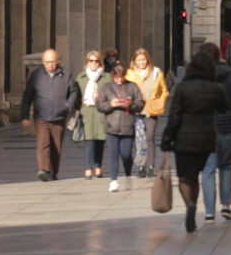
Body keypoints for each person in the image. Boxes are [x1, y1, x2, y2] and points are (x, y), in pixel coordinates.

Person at [161, 52, 229, 233]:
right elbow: (224, 107)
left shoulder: (183, 88)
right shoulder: (216, 88)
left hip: (183, 138)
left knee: (184, 177)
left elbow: (174, 116)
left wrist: (167, 139)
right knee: (196, 176)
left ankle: (189, 204)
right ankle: (194, 205)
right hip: (206, 138)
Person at [198, 43, 231, 223]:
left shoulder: (201, 77)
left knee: (208, 169)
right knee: (226, 166)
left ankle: (209, 212)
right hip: (228, 126)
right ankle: (226, 206)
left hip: (206, 128)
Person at [21, 49, 79, 181]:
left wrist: (68, 105)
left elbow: (73, 91)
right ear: (43, 62)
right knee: (43, 143)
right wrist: (24, 116)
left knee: (56, 146)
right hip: (41, 115)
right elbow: (27, 96)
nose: (51, 65)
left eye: (53, 62)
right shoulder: (36, 75)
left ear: (57, 61)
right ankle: (44, 169)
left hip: (59, 116)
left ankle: (53, 171)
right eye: (48, 62)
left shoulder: (66, 74)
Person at [96, 63, 145, 192]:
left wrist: (130, 104)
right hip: (111, 125)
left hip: (127, 125)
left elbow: (140, 103)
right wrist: (111, 104)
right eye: (117, 77)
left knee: (126, 154)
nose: (119, 80)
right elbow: (99, 105)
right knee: (113, 154)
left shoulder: (132, 86)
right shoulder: (106, 88)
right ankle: (113, 181)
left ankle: (128, 174)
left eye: (121, 77)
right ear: (113, 76)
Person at [125, 48, 169, 178]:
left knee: (149, 137)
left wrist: (160, 102)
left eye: (143, 59)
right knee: (139, 139)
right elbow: (126, 90)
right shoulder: (130, 74)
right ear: (134, 61)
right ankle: (140, 166)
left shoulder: (156, 72)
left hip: (151, 110)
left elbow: (164, 90)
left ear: (147, 60)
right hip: (136, 110)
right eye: (139, 60)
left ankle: (150, 166)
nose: (142, 62)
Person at [75, 51, 108, 179]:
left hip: (101, 113)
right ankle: (88, 167)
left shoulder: (106, 77)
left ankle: (98, 166)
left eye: (96, 61)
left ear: (100, 62)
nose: (94, 63)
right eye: (91, 61)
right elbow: (75, 93)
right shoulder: (81, 77)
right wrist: (79, 104)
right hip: (87, 112)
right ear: (87, 62)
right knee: (89, 140)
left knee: (100, 140)